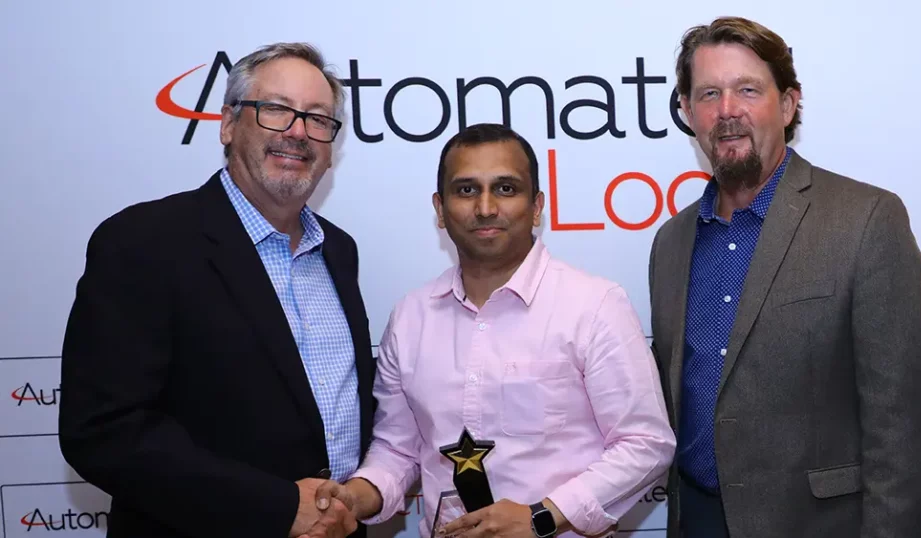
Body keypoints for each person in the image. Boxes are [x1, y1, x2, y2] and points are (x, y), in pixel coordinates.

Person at [58, 42, 374, 538]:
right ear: (227, 124)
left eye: (317, 118)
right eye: (276, 109)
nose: (297, 132)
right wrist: (278, 507)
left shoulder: (338, 250)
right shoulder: (142, 242)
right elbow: (104, 431)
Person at [307, 123, 675, 538]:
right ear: (440, 209)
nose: (485, 208)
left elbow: (646, 444)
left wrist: (541, 516)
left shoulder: (594, 306)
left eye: (505, 188)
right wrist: (355, 497)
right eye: (466, 190)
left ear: (536, 206)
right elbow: (398, 449)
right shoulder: (410, 317)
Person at [647, 16, 921, 538]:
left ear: (787, 105)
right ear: (688, 112)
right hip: (696, 520)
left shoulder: (866, 220)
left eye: (747, 90)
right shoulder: (671, 242)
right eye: (709, 93)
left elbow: (902, 427)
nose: (727, 110)